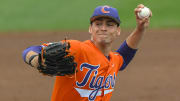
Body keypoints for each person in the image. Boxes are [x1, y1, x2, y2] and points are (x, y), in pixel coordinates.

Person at [22, 4, 152, 101]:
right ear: (90, 29)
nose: (103, 28)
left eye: (110, 24)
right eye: (98, 24)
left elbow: (124, 57)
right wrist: (36, 60)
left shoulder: (114, 60)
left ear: (118, 31)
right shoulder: (77, 49)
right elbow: (30, 50)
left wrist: (140, 29)